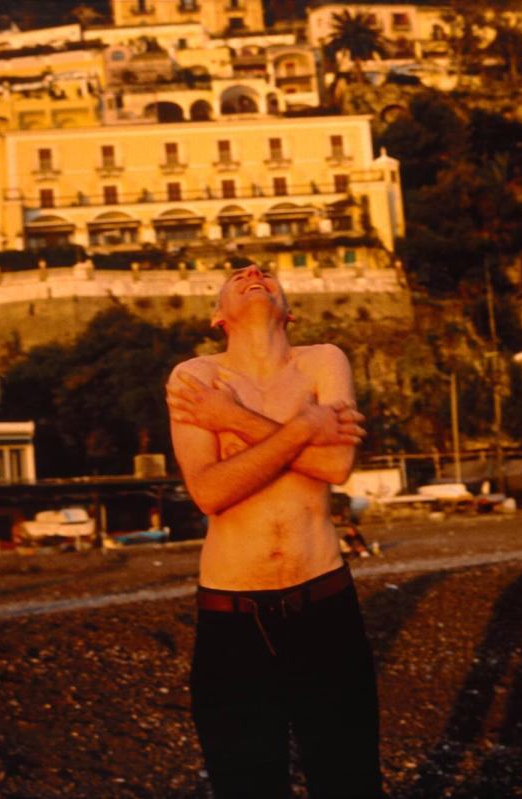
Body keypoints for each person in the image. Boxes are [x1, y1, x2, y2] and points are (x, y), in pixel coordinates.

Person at [166, 264, 384, 799]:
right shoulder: (194, 378)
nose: (253, 272)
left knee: (349, 780)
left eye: (265, 274)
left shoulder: (323, 360)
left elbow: (335, 466)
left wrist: (235, 420)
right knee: (247, 785)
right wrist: (305, 428)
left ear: (289, 310)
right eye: (236, 276)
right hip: (231, 616)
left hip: (324, 602)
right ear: (218, 316)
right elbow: (210, 492)